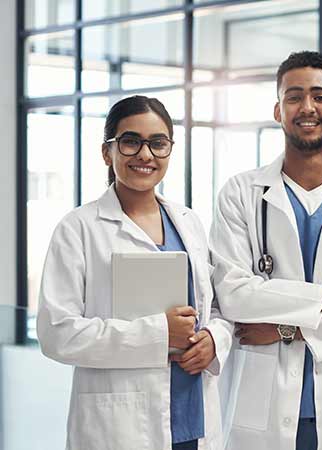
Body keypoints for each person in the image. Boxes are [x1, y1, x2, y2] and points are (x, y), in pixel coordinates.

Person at [209, 51, 322, 450]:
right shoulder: (241, 194)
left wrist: (283, 327)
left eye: (320, 96)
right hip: (263, 400)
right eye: (294, 97)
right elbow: (235, 296)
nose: (307, 107)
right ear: (278, 109)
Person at [37, 95, 233, 450]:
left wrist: (214, 341)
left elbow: (217, 308)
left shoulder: (188, 222)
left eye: (158, 143)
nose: (145, 155)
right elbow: (57, 333)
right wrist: (160, 333)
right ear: (106, 152)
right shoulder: (79, 228)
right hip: (120, 426)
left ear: (169, 151)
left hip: (195, 418)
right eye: (131, 142)